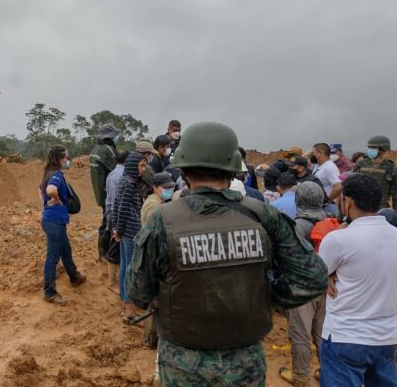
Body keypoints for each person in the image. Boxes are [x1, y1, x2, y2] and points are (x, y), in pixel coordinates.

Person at [127, 122, 328, 385]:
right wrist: (267, 298)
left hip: (183, 363)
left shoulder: (163, 220)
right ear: (234, 168)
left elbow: (139, 292)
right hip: (245, 360)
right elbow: (312, 277)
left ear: (184, 170)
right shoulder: (262, 214)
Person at [318, 174, 397, 386]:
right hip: (386, 337)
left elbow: (316, 275)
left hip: (345, 336)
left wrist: (329, 273)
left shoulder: (338, 240)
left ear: (347, 202)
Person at [279, 181, 328, 386]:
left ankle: (300, 376)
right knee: (323, 334)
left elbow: (286, 259)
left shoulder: (296, 226)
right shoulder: (332, 222)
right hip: (328, 286)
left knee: (300, 334)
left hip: (302, 289)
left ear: (298, 200)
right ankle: (328, 373)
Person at [40, 145, 86, 306]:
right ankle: (49, 292)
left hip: (53, 220)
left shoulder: (47, 174)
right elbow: (51, 190)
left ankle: (74, 276)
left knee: (66, 250)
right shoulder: (57, 176)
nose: (68, 160)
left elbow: (42, 192)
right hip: (54, 222)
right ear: (59, 159)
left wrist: (49, 203)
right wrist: (56, 198)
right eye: (66, 157)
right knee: (52, 257)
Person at [139, 172, 175, 350]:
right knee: (156, 300)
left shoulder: (158, 203)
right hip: (153, 256)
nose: (169, 190)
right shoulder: (155, 206)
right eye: (165, 188)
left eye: (171, 188)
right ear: (155, 187)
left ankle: (151, 337)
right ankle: (151, 337)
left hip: (153, 254)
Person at [112, 151, 147, 322]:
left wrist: (117, 229)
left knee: (125, 267)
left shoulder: (124, 181)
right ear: (133, 166)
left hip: (125, 231)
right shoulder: (129, 184)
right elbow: (123, 209)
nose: (144, 169)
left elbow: (116, 206)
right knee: (130, 270)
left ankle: (126, 305)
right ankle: (129, 312)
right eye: (141, 165)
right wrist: (118, 230)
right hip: (131, 232)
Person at [352, 135, 397, 217]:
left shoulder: (391, 168)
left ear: (382, 149)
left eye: (373, 147)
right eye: (369, 147)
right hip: (360, 209)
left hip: (380, 210)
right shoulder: (360, 164)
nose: (370, 150)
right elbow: (352, 185)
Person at [90, 124, 120, 261]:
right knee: (108, 222)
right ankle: (104, 252)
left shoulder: (96, 149)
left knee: (106, 220)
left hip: (100, 191)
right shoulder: (108, 150)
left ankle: (102, 252)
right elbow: (116, 169)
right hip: (108, 192)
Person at [104, 150, 129, 290]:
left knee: (116, 246)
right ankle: (112, 283)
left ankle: (115, 279)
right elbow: (117, 200)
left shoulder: (112, 174)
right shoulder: (121, 175)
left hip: (112, 213)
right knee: (114, 247)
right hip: (117, 214)